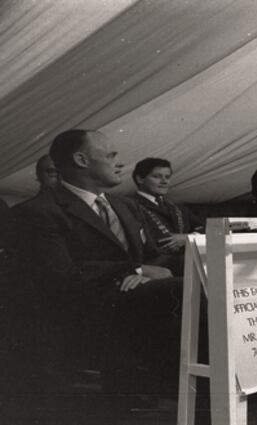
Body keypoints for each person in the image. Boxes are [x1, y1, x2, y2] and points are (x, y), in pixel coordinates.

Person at [12, 129, 182, 413]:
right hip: (93, 315)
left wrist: (145, 273)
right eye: (110, 155)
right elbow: (62, 276)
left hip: (142, 300)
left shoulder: (125, 205)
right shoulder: (38, 212)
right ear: (81, 160)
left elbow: (157, 257)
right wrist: (135, 269)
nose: (119, 163)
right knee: (186, 291)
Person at [132, 157, 204, 275]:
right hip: (158, 268)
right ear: (140, 179)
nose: (164, 181)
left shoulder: (176, 207)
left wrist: (188, 238)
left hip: (188, 262)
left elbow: (205, 228)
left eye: (167, 177)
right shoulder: (129, 206)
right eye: (157, 176)